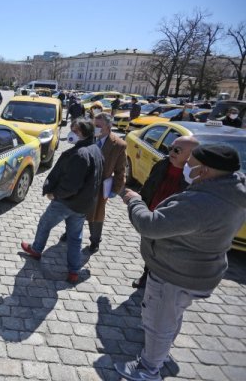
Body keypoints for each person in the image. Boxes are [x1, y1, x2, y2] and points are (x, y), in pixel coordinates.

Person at [116, 144, 246, 381]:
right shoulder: (233, 189)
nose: (186, 167)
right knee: (171, 316)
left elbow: (150, 225)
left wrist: (134, 201)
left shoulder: (203, 203)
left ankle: (148, 369)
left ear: (204, 170)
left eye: (190, 164)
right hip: (198, 271)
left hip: (175, 274)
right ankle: (160, 354)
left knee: (158, 322)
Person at [20, 118, 104, 283]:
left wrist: (55, 195)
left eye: (75, 130)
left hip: (66, 203)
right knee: (75, 238)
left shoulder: (81, 154)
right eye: (72, 129)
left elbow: (71, 185)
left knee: (45, 224)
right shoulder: (96, 149)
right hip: (82, 204)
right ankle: (73, 270)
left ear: (84, 133)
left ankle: (36, 249)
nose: (71, 132)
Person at [131, 136, 199, 289]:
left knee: (164, 251)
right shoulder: (163, 164)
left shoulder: (195, 175)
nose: (171, 152)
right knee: (148, 248)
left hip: (172, 222)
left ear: (191, 155)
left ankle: (158, 278)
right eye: (170, 148)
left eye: (177, 150)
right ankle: (146, 274)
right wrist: (140, 202)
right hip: (152, 214)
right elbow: (150, 183)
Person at [85, 113, 127, 253]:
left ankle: (95, 240)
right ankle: (70, 232)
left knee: (96, 215)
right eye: (93, 125)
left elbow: (121, 171)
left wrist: (115, 189)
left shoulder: (118, 145)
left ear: (108, 128)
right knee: (74, 211)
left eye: (98, 126)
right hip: (82, 182)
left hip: (100, 186)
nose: (94, 129)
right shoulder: (87, 138)